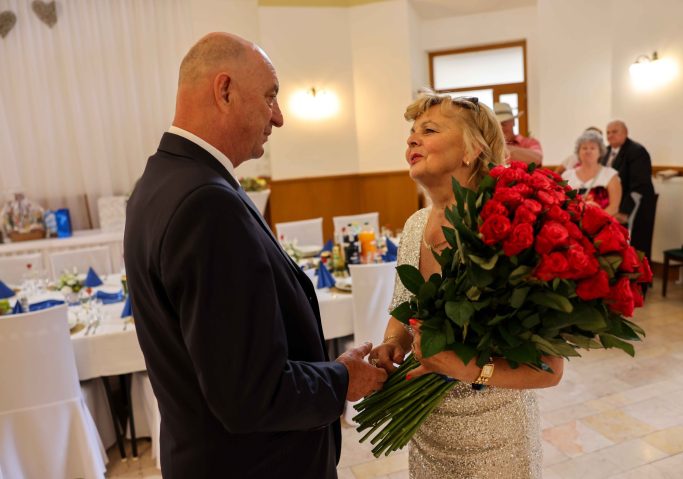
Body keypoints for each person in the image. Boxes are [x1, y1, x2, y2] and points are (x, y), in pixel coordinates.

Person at [124, 32, 386, 478]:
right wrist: (343, 378)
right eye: (270, 97)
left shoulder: (161, 179)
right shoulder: (206, 203)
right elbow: (249, 393)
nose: (279, 117)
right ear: (224, 91)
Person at [369, 91, 563, 478]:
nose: (411, 139)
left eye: (429, 129)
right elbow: (405, 310)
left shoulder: (511, 231)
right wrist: (393, 343)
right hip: (428, 431)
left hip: (495, 439)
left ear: (472, 149)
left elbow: (549, 369)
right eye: (411, 131)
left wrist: (471, 369)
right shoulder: (413, 227)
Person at [602, 120, 656, 259]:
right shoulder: (605, 152)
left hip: (635, 208)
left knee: (636, 250)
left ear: (625, 133)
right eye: (608, 132)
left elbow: (639, 184)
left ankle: (639, 280)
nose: (610, 135)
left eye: (615, 132)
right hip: (612, 207)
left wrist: (624, 212)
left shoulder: (637, 151)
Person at [562, 130, 622, 216]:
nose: (588, 151)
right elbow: (561, 203)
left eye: (592, 148)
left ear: (600, 152)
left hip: (602, 224)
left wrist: (594, 220)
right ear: (578, 152)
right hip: (572, 224)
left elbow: (614, 208)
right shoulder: (567, 175)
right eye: (584, 148)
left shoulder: (610, 175)